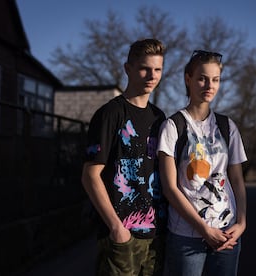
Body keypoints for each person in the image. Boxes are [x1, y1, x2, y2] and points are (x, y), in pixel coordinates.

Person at [157, 50, 248, 276]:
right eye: (202, 78)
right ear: (188, 79)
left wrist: (242, 222)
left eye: (215, 79)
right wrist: (204, 230)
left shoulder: (228, 127)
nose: (209, 85)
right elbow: (169, 188)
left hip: (227, 235)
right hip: (187, 239)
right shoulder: (173, 126)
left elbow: (236, 180)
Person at [81, 38, 167, 276]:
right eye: (144, 68)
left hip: (156, 236)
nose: (151, 75)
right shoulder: (110, 114)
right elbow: (90, 175)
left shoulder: (159, 118)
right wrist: (116, 227)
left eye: (157, 69)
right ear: (127, 68)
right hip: (121, 236)